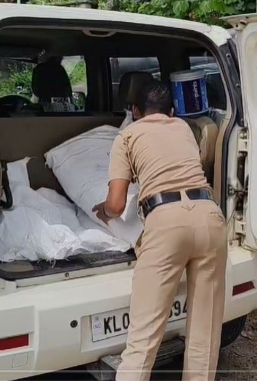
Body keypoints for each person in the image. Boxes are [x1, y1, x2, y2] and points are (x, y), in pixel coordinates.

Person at [93, 81, 226, 381]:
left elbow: (115, 203)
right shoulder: (184, 128)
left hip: (166, 224)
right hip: (210, 218)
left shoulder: (126, 136)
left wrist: (103, 211)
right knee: (205, 334)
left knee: (143, 339)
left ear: (135, 111)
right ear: (172, 110)